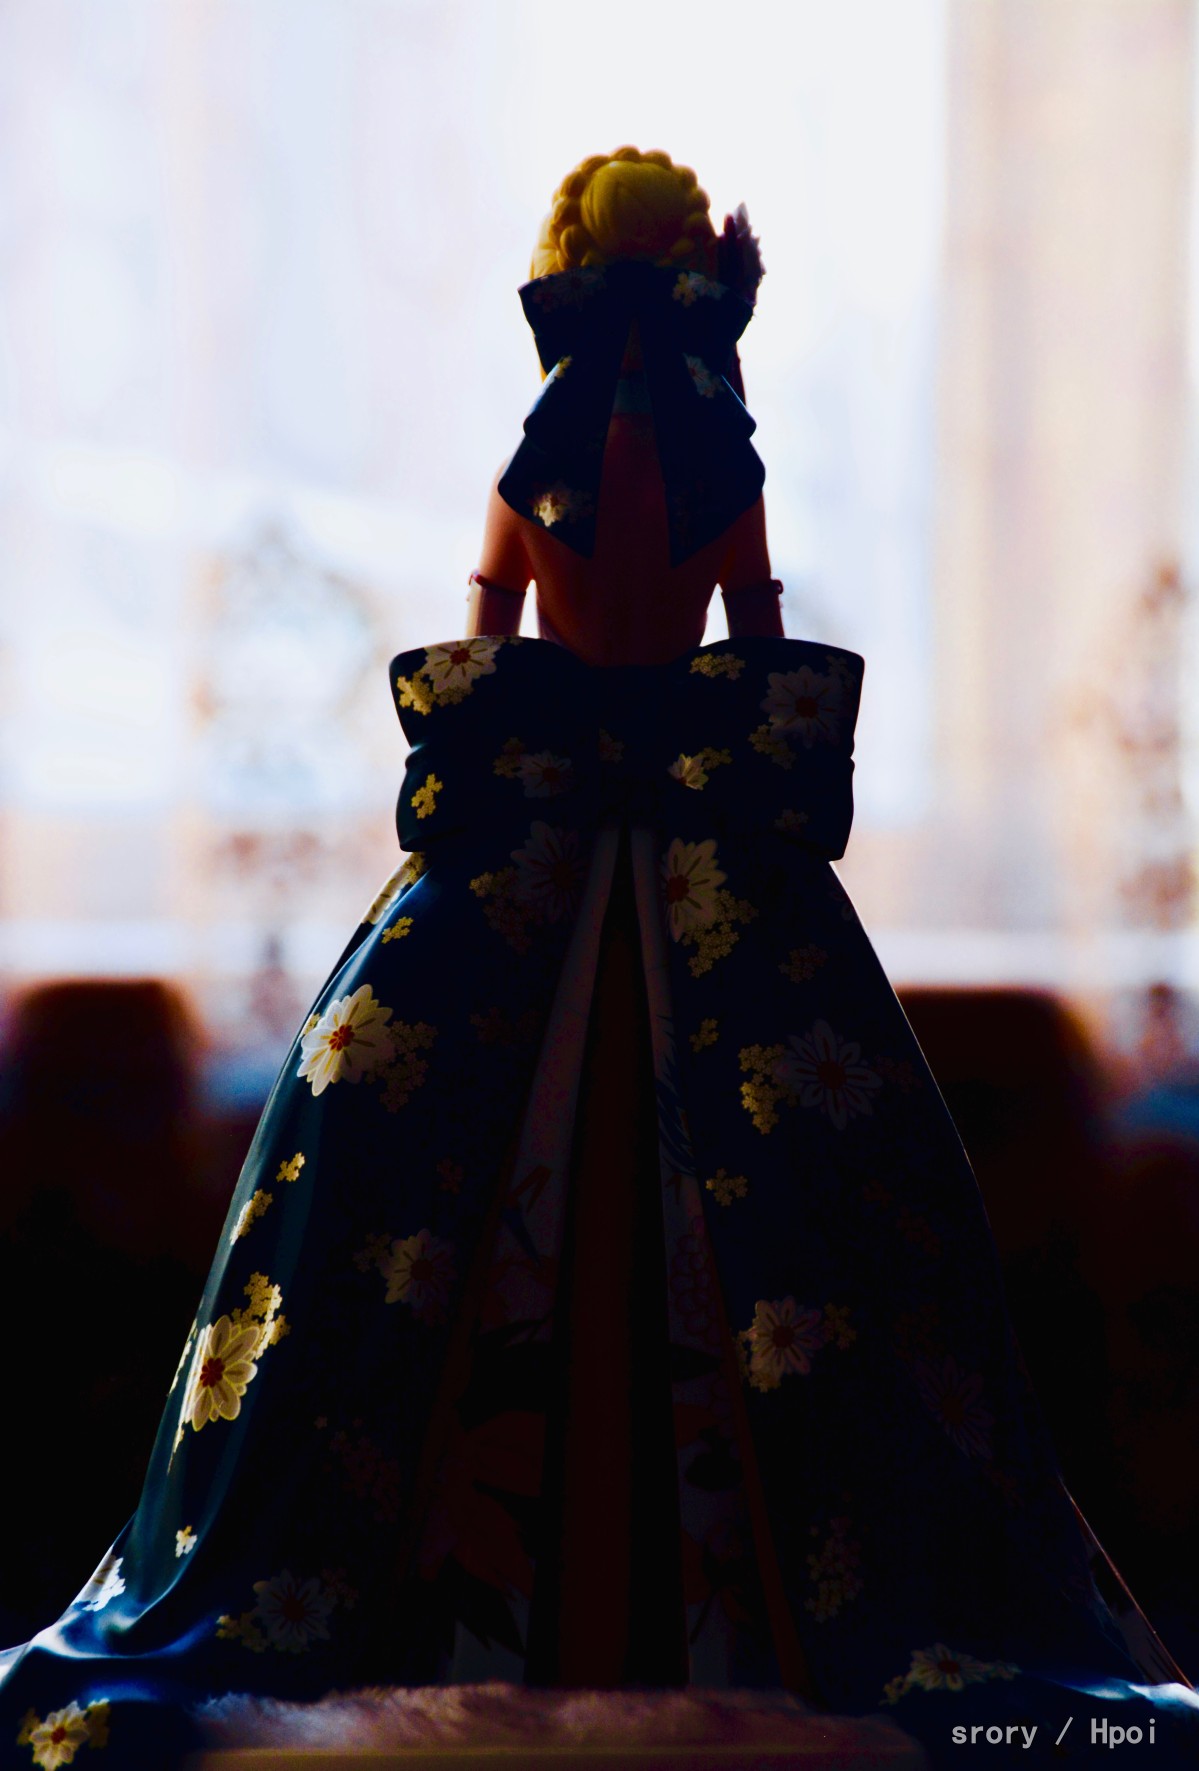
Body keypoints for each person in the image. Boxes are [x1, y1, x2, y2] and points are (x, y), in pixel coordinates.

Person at [3, 145, 1197, 1769]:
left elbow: (486, 640)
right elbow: (756, 639)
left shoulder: (538, 464)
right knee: (794, 1178)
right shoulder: (719, 465)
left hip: (527, 861)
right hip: (712, 869)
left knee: (405, 1172)